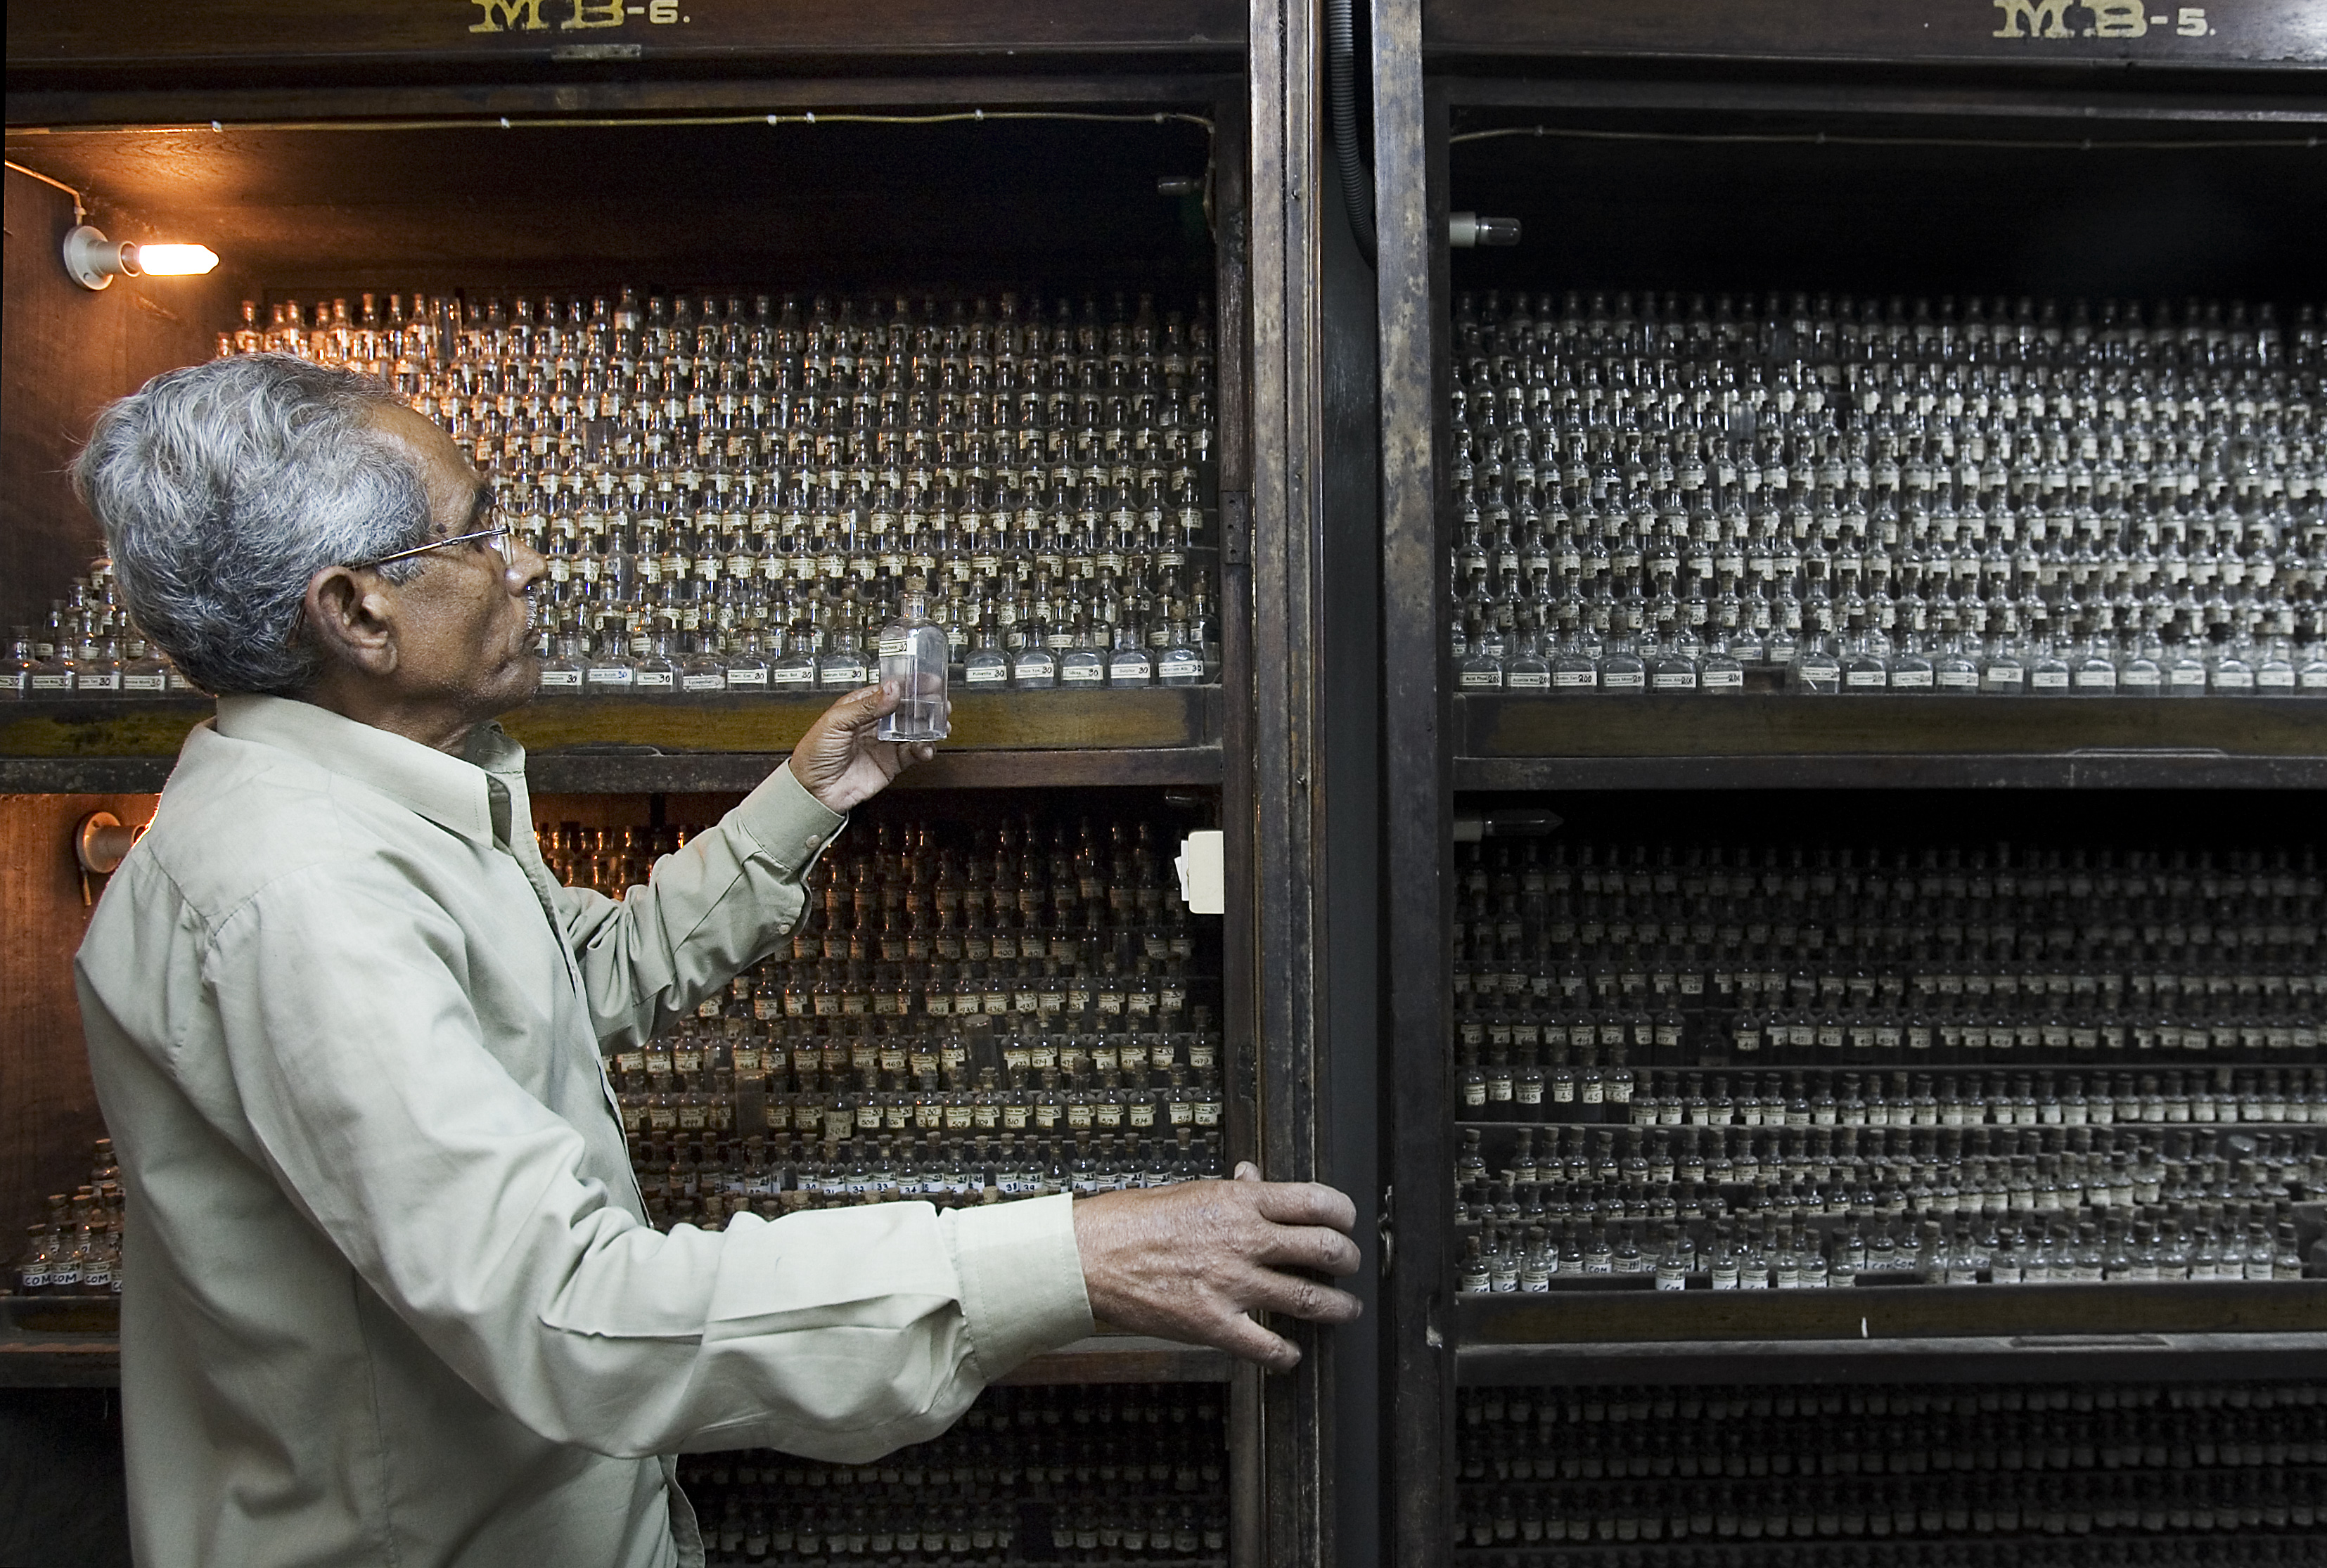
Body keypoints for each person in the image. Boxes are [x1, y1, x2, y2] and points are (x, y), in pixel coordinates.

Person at [71, 354, 1361, 1568]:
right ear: (358, 612)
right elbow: (570, 1309)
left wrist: (807, 798)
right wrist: (1073, 1257)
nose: (525, 562)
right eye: (475, 534)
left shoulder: (374, 815)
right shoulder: (300, 892)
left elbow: (559, 990)